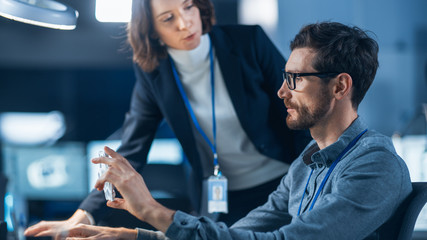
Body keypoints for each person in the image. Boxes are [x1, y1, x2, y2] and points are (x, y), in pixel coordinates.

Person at [59, 21, 413, 240]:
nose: (281, 92)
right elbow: (235, 234)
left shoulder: (374, 165)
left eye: (295, 79)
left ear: (339, 87)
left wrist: (152, 209)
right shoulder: (304, 165)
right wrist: (134, 236)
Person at [24, 0, 310, 237]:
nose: (184, 23)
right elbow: (133, 150)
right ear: (153, 32)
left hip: (283, 181)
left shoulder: (249, 42)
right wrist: (82, 214)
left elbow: (298, 108)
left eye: (188, 8)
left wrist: (311, 178)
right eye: (168, 18)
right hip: (222, 198)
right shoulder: (154, 73)